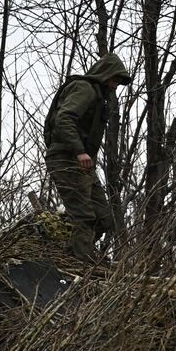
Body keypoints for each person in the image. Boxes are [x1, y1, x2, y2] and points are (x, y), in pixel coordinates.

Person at [43, 52, 134, 261]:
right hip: (66, 157)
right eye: (114, 80)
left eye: (118, 83)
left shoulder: (99, 96)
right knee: (83, 216)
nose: (114, 86)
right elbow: (64, 118)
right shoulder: (85, 89)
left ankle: (72, 252)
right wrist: (79, 151)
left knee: (104, 218)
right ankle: (80, 262)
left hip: (82, 163)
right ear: (105, 74)